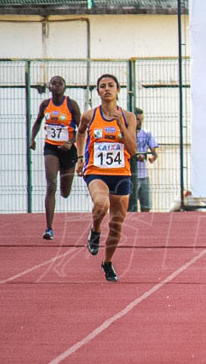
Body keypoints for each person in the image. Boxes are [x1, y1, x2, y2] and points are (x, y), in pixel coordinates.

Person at [74, 73, 137, 282]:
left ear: (118, 90)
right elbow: (80, 132)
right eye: (102, 86)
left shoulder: (128, 117)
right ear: (98, 91)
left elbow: (133, 149)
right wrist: (80, 157)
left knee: (117, 224)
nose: (107, 89)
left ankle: (107, 262)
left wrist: (121, 127)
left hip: (121, 173)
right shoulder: (89, 115)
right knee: (101, 204)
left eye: (111, 85)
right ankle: (95, 230)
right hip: (96, 171)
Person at [28, 75, 81, 240]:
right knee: (51, 184)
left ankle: (64, 191)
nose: (56, 86)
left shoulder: (71, 104)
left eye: (60, 84)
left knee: (65, 192)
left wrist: (71, 142)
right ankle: (49, 228)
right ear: (49, 87)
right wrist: (32, 138)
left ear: (65, 87)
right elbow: (37, 122)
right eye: (53, 83)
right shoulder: (45, 104)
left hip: (69, 150)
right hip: (51, 147)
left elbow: (82, 128)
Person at [128, 107, 158, 212]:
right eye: (137, 120)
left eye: (142, 119)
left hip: (143, 174)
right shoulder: (127, 134)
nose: (140, 122)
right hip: (131, 175)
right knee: (131, 206)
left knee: (146, 205)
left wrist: (152, 156)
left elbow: (154, 152)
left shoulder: (146, 133)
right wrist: (135, 156)